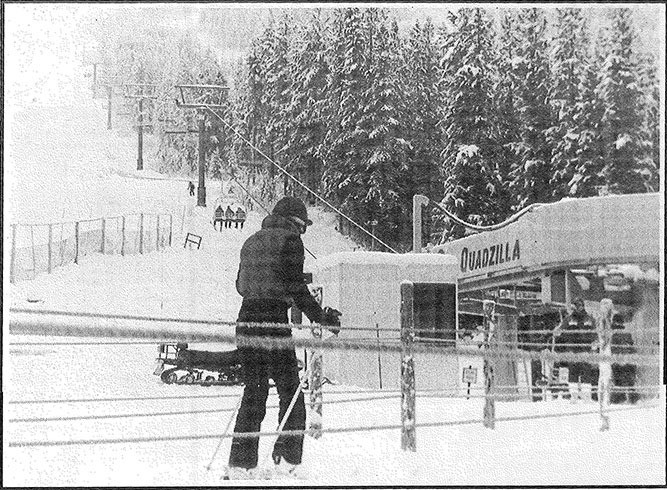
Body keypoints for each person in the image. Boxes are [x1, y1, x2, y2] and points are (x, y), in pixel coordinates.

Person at [227, 196, 341, 478]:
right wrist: (321, 316)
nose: (304, 232)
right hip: (273, 321)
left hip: (246, 318)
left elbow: (240, 285)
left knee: (254, 392)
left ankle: (241, 463)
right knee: (290, 391)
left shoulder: (251, 240)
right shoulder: (290, 241)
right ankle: (286, 459)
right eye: (304, 226)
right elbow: (296, 287)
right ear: (296, 221)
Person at [553, 297, 598, 390]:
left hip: (586, 350)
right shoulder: (568, 319)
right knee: (573, 372)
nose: (578, 308)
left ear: (583, 306)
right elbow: (558, 331)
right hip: (572, 350)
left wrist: (595, 344)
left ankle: (586, 396)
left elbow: (596, 333)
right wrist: (557, 331)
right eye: (576, 305)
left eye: (580, 305)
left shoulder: (590, 319)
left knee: (586, 372)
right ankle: (573, 396)